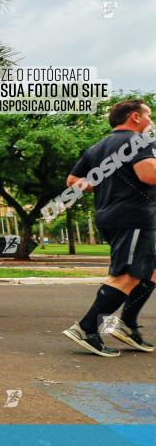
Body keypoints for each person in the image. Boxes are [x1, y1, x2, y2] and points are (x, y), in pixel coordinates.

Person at [62, 99, 156, 356]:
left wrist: (105, 182)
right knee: (125, 275)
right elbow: (149, 175)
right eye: (149, 114)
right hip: (133, 217)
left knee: (151, 271)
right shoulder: (140, 140)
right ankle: (87, 328)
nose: (151, 120)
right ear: (135, 116)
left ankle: (126, 324)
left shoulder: (98, 147)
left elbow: (73, 181)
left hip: (111, 215)